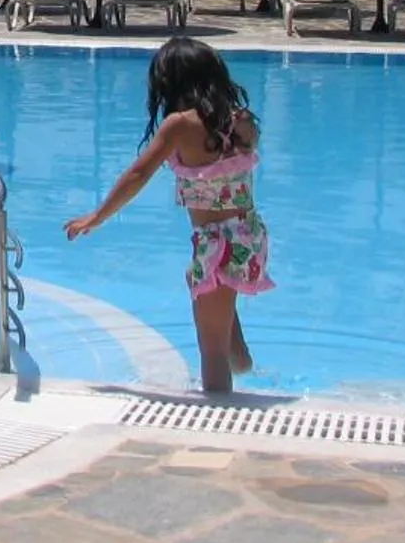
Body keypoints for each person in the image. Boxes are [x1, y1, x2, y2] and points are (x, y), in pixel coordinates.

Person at [65, 36, 271, 394]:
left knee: (211, 351)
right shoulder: (243, 121)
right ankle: (248, 370)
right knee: (220, 318)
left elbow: (137, 175)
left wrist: (97, 216)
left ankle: (221, 419)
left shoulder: (180, 125)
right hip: (249, 235)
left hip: (217, 243)